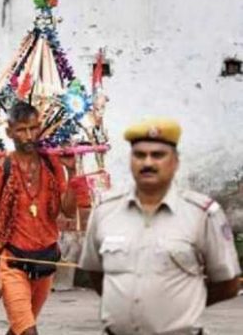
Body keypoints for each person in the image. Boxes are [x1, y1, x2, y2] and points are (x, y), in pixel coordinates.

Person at [78, 118, 241, 335]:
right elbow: (96, 273)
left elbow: (228, 283)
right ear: (130, 161)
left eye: (158, 155)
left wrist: (180, 308)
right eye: (139, 155)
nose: (147, 163)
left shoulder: (202, 214)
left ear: (175, 162)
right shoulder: (105, 211)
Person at [0, 101, 81, 335]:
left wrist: (72, 171)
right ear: (9, 132)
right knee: (28, 332)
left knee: (19, 330)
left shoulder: (52, 164)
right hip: (13, 264)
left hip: (46, 262)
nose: (28, 136)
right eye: (21, 130)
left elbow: (67, 209)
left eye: (33, 128)